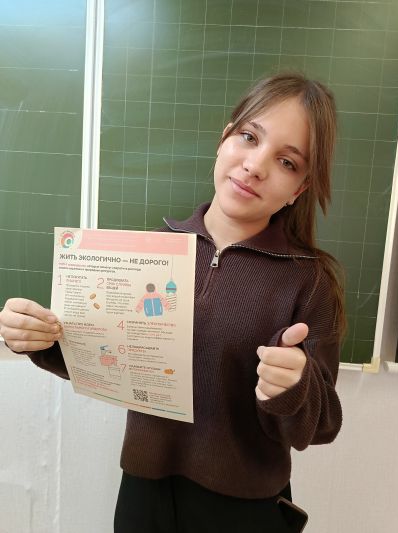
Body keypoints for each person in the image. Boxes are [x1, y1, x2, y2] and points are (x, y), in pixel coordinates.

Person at [0, 72, 345, 533]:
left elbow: (323, 425)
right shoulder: (153, 251)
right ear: (224, 139)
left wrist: (296, 386)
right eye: (249, 137)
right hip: (145, 495)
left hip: (244, 509)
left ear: (298, 189)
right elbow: (112, 356)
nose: (255, 165)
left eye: (286, 161)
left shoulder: (310, 282)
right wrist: (40, 338)